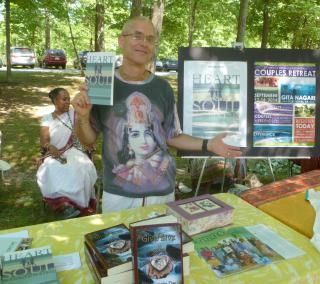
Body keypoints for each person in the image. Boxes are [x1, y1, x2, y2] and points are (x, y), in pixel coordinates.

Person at [72, 16, 241, 213]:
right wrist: (83, 117)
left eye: (150, 39)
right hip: (118, 195)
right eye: (137, 36)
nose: (144, 43)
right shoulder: (100, 83)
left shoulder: (162, 88)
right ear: (121, 40)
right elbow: (87, 141)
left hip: (162, 193)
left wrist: (209, 144)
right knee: (120, 244)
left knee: (162, 243)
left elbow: (171, 136)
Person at [37, 87, 97, 218]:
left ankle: (79, 204)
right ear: (54, 100)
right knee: (52, 168)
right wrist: (49, 146)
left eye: (69, 99)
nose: (67, 102)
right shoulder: (47, 119)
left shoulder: (74, 113)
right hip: (54, 153)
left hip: (73, 150)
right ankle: (64, 205)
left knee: (80, 167)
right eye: (64, 99)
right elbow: (44, 141)